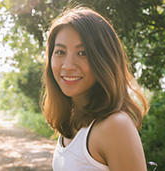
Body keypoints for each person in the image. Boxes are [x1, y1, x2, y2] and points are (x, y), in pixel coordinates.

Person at [41, 6, 149, 171]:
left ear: (104, 60)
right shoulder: (72, 119)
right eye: (60, 52)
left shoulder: (115, 126)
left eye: (82, 53)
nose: (68, 66)